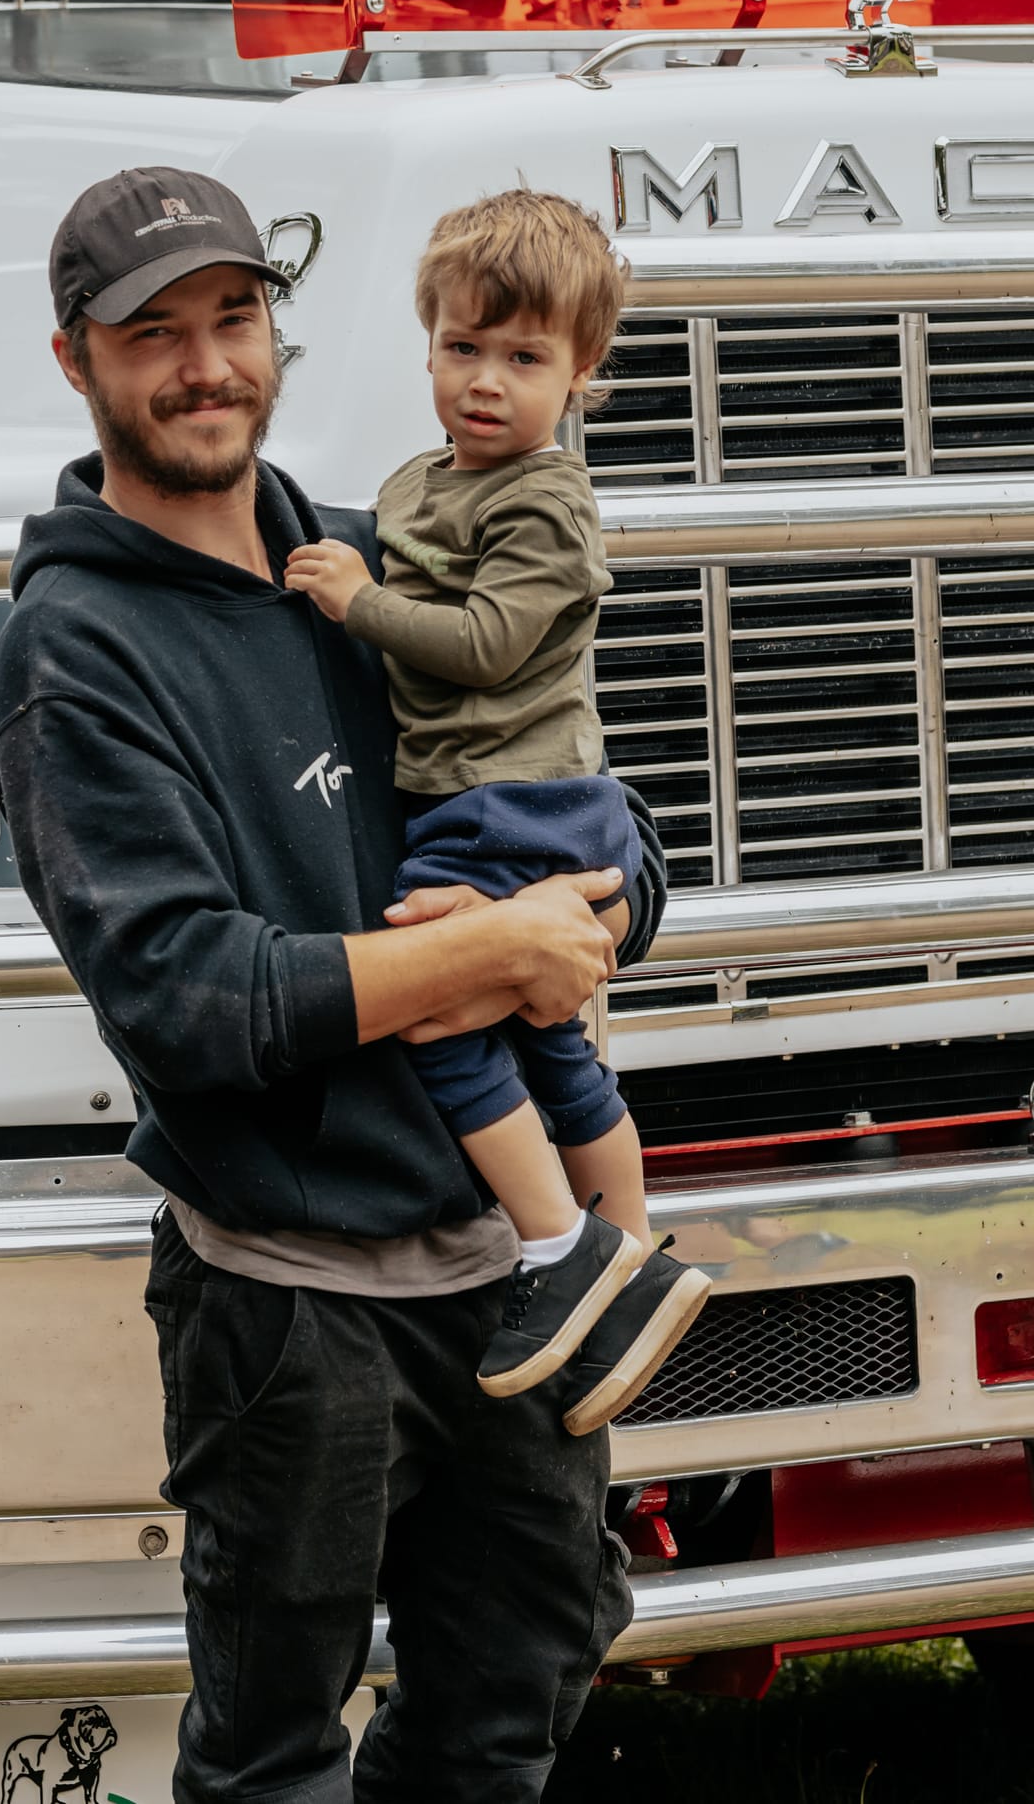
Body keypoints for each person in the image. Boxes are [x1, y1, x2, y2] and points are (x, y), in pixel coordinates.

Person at [0, 166, 667, 1804]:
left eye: (234, 320)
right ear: (76, 360)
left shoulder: (379, 568)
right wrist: (475, 956)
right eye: (155, 335)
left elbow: (598, 811)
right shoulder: (73, 653)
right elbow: (182, 996)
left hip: (509, 1279)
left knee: (514, 1703)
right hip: (291, 1308)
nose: (204, 366)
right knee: (275, 1756)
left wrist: (604, 912)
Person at [285, 190, 709, 1433]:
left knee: (437, 1018)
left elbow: (481, 643)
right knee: (549, 1043)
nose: (485, 381)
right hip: (484, 799)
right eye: (462, 347)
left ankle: (556, 1248)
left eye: (523, 358)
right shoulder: (427, 481)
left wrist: (355, 599)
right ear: (424, 344)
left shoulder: (542, 500)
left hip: (515, 805)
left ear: (580, 372)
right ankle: (635, 1270)